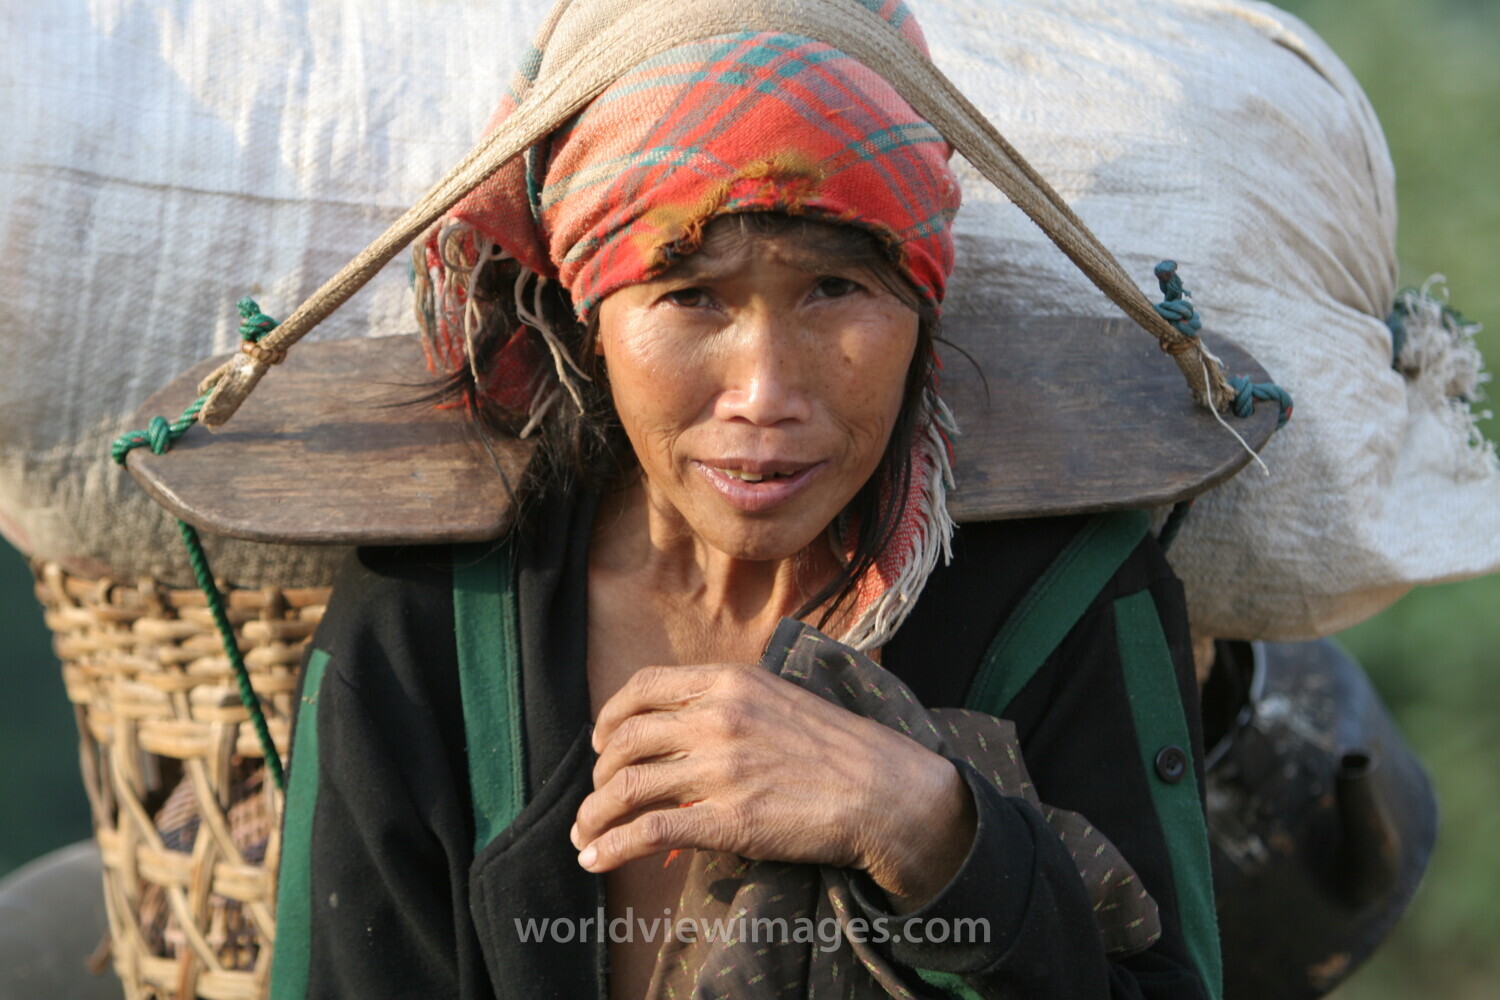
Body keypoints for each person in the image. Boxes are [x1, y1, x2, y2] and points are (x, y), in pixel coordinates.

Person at [270, 5, 1220, 998]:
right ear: (591, 314)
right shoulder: (422, 634)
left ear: (922, 300)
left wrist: (925, 825)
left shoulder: (1065, 599)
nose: (765, 393)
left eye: (835, 288)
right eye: (692, 296)